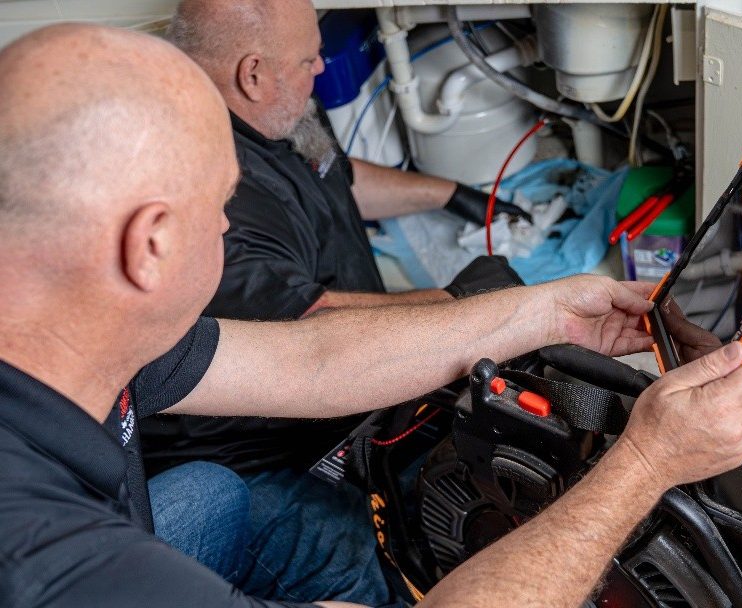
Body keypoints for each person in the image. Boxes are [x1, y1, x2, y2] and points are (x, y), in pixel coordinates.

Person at [0, 22, 742, 608]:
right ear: (152, 245)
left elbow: (306, 361)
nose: (229, 230)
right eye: (218, 208)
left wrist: (550, 312)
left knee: (215, 492)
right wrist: (645, 464)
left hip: (131, 517)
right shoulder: (52, 557)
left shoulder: (81, 323)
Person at [139, 0, 526, 588]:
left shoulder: (277, 105)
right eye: (309, 57)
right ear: (252, 72)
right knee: (367, 555)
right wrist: (463, 304)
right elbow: (311, 328)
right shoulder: (210, 189)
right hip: (259, 456)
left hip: (341, 382)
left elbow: (334, 173)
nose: (323, 66)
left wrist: (450, 195)